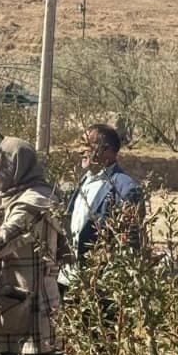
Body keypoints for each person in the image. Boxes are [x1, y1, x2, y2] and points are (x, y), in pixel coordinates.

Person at [0, 138, 64, 355]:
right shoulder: (28, 195)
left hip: (26, 310)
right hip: (20, 304)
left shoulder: (33, 202)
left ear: (13, 167)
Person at [58, 123, 144, 290]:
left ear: (107, 150)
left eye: (87, 145)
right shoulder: (85, 180)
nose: (81, 151)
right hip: (69, 277)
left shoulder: (125, 189)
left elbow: (130, 243)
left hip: (99, 285)